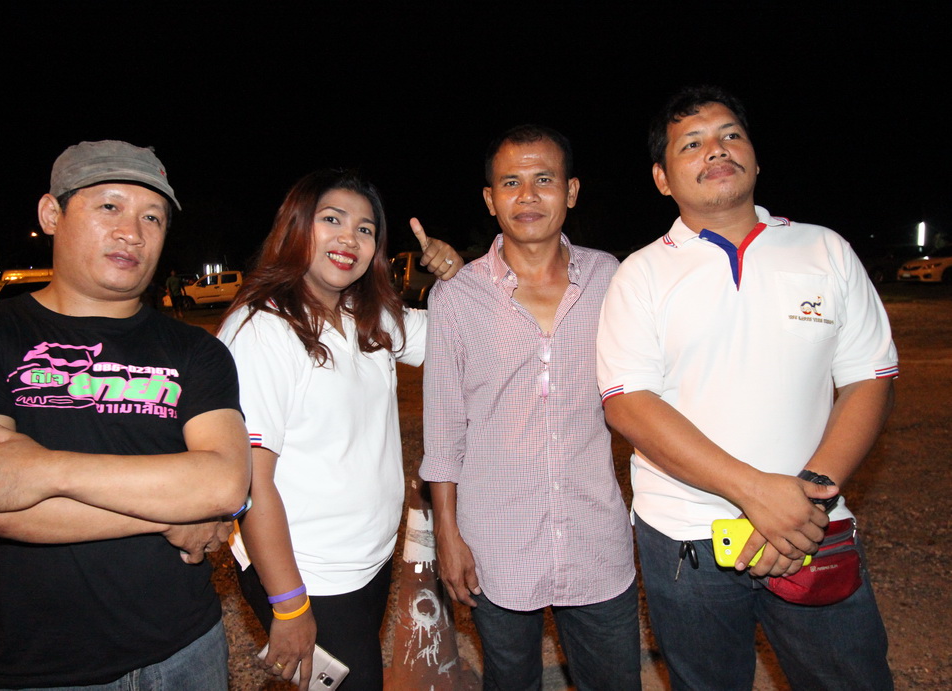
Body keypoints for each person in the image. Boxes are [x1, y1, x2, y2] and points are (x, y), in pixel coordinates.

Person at [0, 140, 252, 690]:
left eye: (152, 217)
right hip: (45, 669)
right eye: (109, 206)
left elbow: (224, 483)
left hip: (189, 650)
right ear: (52, 214)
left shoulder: (197, 350)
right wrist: (175, 511)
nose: (132, 233)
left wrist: (46, 470)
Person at [596, 86, 897, 690]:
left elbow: (870, 377)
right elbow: (629, 404)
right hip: (688, 538)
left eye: (730, 135)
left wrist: (808, 497)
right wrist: (758, 493)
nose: (716, 150)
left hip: (812, 525)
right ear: (662, 178)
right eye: (692, 144)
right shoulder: (640, 274)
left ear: (755, 158)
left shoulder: (824, 249)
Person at [217, 169, 462, 690]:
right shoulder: (263, 329)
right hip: (309, 573)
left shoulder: (365, 315)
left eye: (365, 229)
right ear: (296, 226)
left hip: (367, 562)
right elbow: (250, 482)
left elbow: (459, 336)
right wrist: (288, 605)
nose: (349, 238)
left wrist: (457, 280)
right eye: (332, 220)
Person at [420, 125, 641, 691]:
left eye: (544, 179)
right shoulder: (456, 297)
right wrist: (447, 533)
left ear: (571, 191)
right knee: (511, 681)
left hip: (594, 538)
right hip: (495, 542)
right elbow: (443, 432)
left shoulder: (610, 279)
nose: (527, 196)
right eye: (510, 182)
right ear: (490, 198)